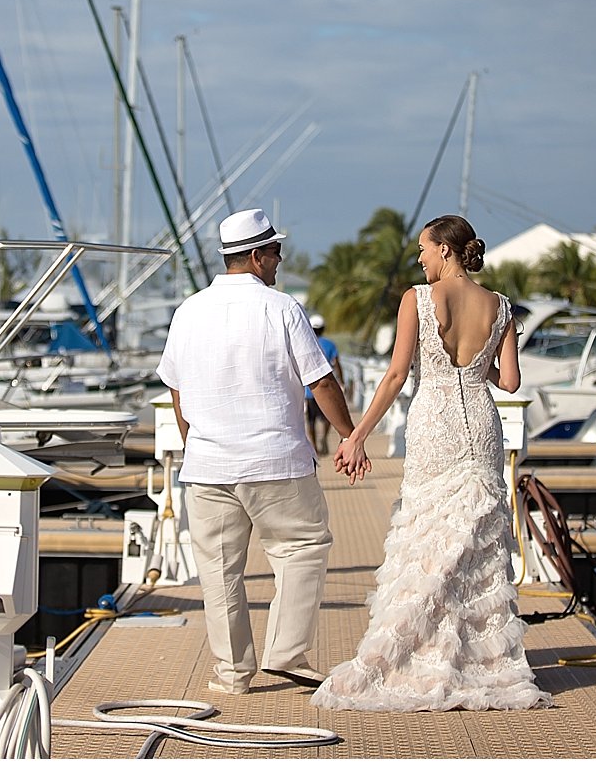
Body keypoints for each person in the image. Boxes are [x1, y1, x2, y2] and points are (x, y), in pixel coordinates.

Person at [312, 213, 549, 712]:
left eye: (423, 248)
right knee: (476, 545)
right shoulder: (502, 306)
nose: (418, 258)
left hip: (434, 422)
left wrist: (356, 435)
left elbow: (397, 374)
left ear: (446, 249)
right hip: (481, 423)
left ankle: (419, 652)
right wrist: (490, 347)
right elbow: (509, 384)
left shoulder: (416, 301)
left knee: (427, 538)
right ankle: (478, 662)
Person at [156, 208, 363, 696]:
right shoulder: (281, 308)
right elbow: (321, 380)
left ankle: (233, 674)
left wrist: (196, 446)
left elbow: (177, 391)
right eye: (275, 253)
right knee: (302, 549)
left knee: (218, 572)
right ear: (255, 255)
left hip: (207, 467)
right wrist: (350, 435)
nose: (279, 261)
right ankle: (286, 653)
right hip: (277, 462)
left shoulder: (187, 311)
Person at [304, 312, 345, 455]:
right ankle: (324, 438)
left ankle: (314, 446)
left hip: (309, 390)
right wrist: (342, 382)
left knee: (311, 420)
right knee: (328, 417)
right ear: (323, 328)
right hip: (327, 386)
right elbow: (337, 364)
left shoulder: (305, 342)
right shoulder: (330, 344)